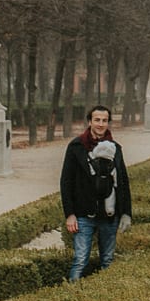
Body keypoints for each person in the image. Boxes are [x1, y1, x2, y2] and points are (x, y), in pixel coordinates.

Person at [60, 105, 132, 280]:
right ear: (90, 121)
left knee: (107, 260)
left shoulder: (116, 148)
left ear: (108, 122)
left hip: (109, 215)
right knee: (80, 260)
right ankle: (70, 300)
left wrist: (126, 213)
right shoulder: (76, 146)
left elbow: (122, 182)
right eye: (97, 120)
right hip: (84, 215)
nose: (100, 124)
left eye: (104, 120)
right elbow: (66, 182)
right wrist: (70, 214)